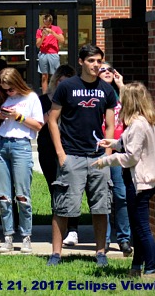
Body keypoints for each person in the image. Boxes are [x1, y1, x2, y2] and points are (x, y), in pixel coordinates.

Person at [47, 44, 117, 267]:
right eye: (91, 60)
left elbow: (110, 124)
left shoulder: (106, 90)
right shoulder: (67, 87)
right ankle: (56, 254)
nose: (96, 65)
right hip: (72, 156)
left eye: (99, 61)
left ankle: (100, 253)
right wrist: (61, 153)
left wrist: (107, 154)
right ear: (81, 62)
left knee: (101, 208)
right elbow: (52, 120)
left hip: (98, 157)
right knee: (63, 207)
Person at [93, 82, 155, 277]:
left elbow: (131, 157)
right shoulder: (142, 121)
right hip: (142, 181)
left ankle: (150, 270)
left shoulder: (138, 125)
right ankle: (136, 266)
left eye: (123, 100)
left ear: (130, 102)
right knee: (137, 227)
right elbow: (129, 144)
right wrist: (113, 143)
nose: (120, 103)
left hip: (139, 183)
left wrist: (106, 161)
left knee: (142, 228)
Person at [0, 68, 44, 254]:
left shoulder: (31, 98)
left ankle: (26, 237)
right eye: (4, 89)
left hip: (21, 145)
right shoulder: (1, 98)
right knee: (3, 196)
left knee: (22, 194)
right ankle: (8, 237)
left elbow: (38, 125)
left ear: (17, 84)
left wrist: (18, 116)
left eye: (10, 89)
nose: (8, 92)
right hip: (1, 144)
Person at [97, 62, 132, 256]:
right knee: (102, 196)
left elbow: (135, 108)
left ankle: (124, 239)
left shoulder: (121, 96)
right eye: (102, 70)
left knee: (121, 195)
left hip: (119, 152)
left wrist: (121, 85)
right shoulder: (93, 94)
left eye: (110, 69)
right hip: (99, 151)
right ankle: (104, 240)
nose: (107, 72)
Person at [37, 65, 75, 194]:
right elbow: (38, 124)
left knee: (69, 185)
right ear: (55, 81)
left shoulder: (75, 101)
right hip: (47, 146)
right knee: (53, 184)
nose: (64, 86)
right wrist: (54, 108)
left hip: (68, 145)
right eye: (61, 81)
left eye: (68, 82)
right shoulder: (42, 100)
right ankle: (55, 206)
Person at [36, 14, 64, 94]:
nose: (47, 25)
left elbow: (62, 40)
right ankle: (45, 95)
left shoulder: (56, 28)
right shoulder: (39, 30)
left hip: (53, 54)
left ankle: (55, 94)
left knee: (55, 75)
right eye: (45, 23)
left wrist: (52, 32)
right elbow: (38, 45)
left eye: (48, 23)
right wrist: (43, 36)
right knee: (44, 76)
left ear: (51, 22)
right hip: (43, 54)